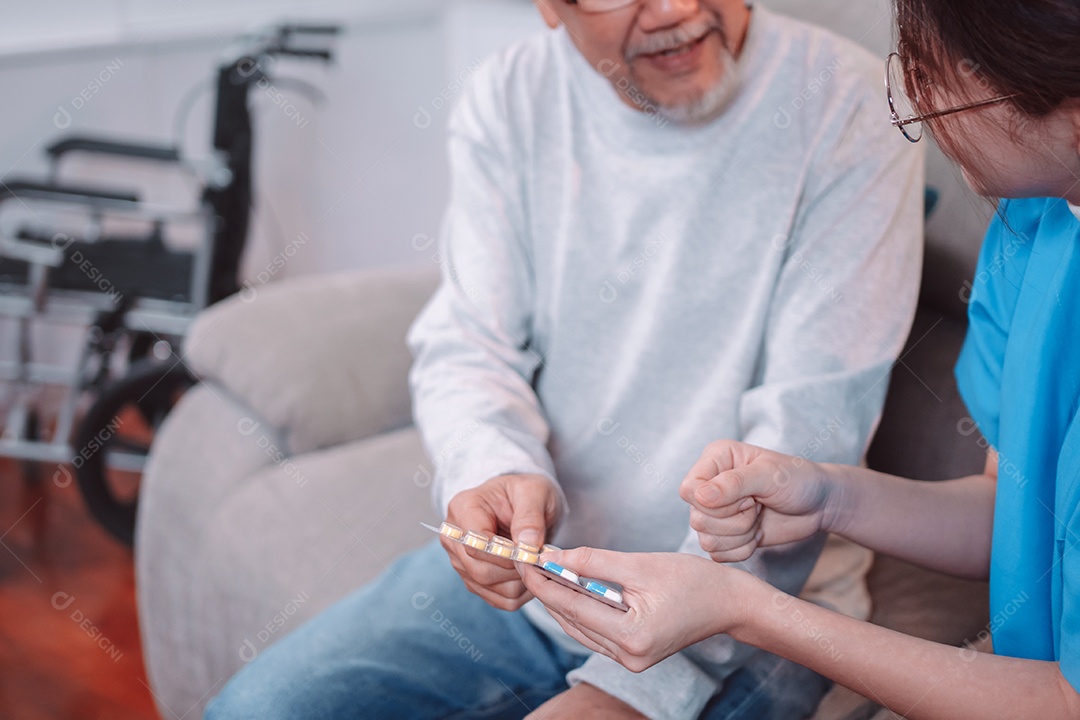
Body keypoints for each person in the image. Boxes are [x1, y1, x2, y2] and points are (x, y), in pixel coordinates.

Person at [205, 0, 924, 718]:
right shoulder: (509, 98)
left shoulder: (854, 106)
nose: (677, 10)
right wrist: (490, 465)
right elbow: (469, 341)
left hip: (752, 616)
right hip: (547, 579)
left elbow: (807, 435)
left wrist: (633, 693)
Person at [522, 1, 1080, 717]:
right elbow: (1014, 517)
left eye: (935, 81)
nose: (921, 110)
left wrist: (744, 610)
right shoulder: (1031, 219)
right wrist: (829, 496)